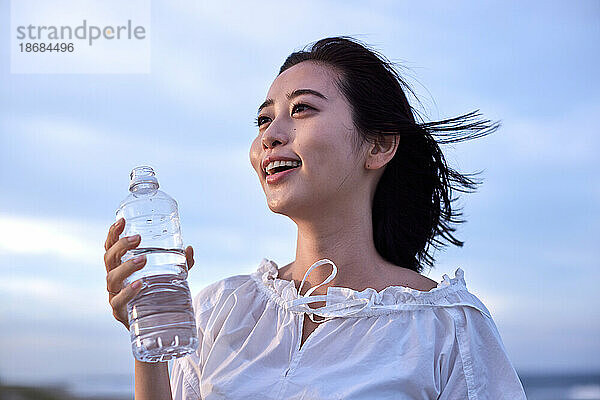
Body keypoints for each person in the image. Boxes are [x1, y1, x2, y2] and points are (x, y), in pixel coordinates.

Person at [103, 36, 527, 399]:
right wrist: (148, 339)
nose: (269, 135)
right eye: (264, 119)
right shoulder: (222, 310)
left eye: (302, 109)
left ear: (378, 146)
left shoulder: (447, 326)